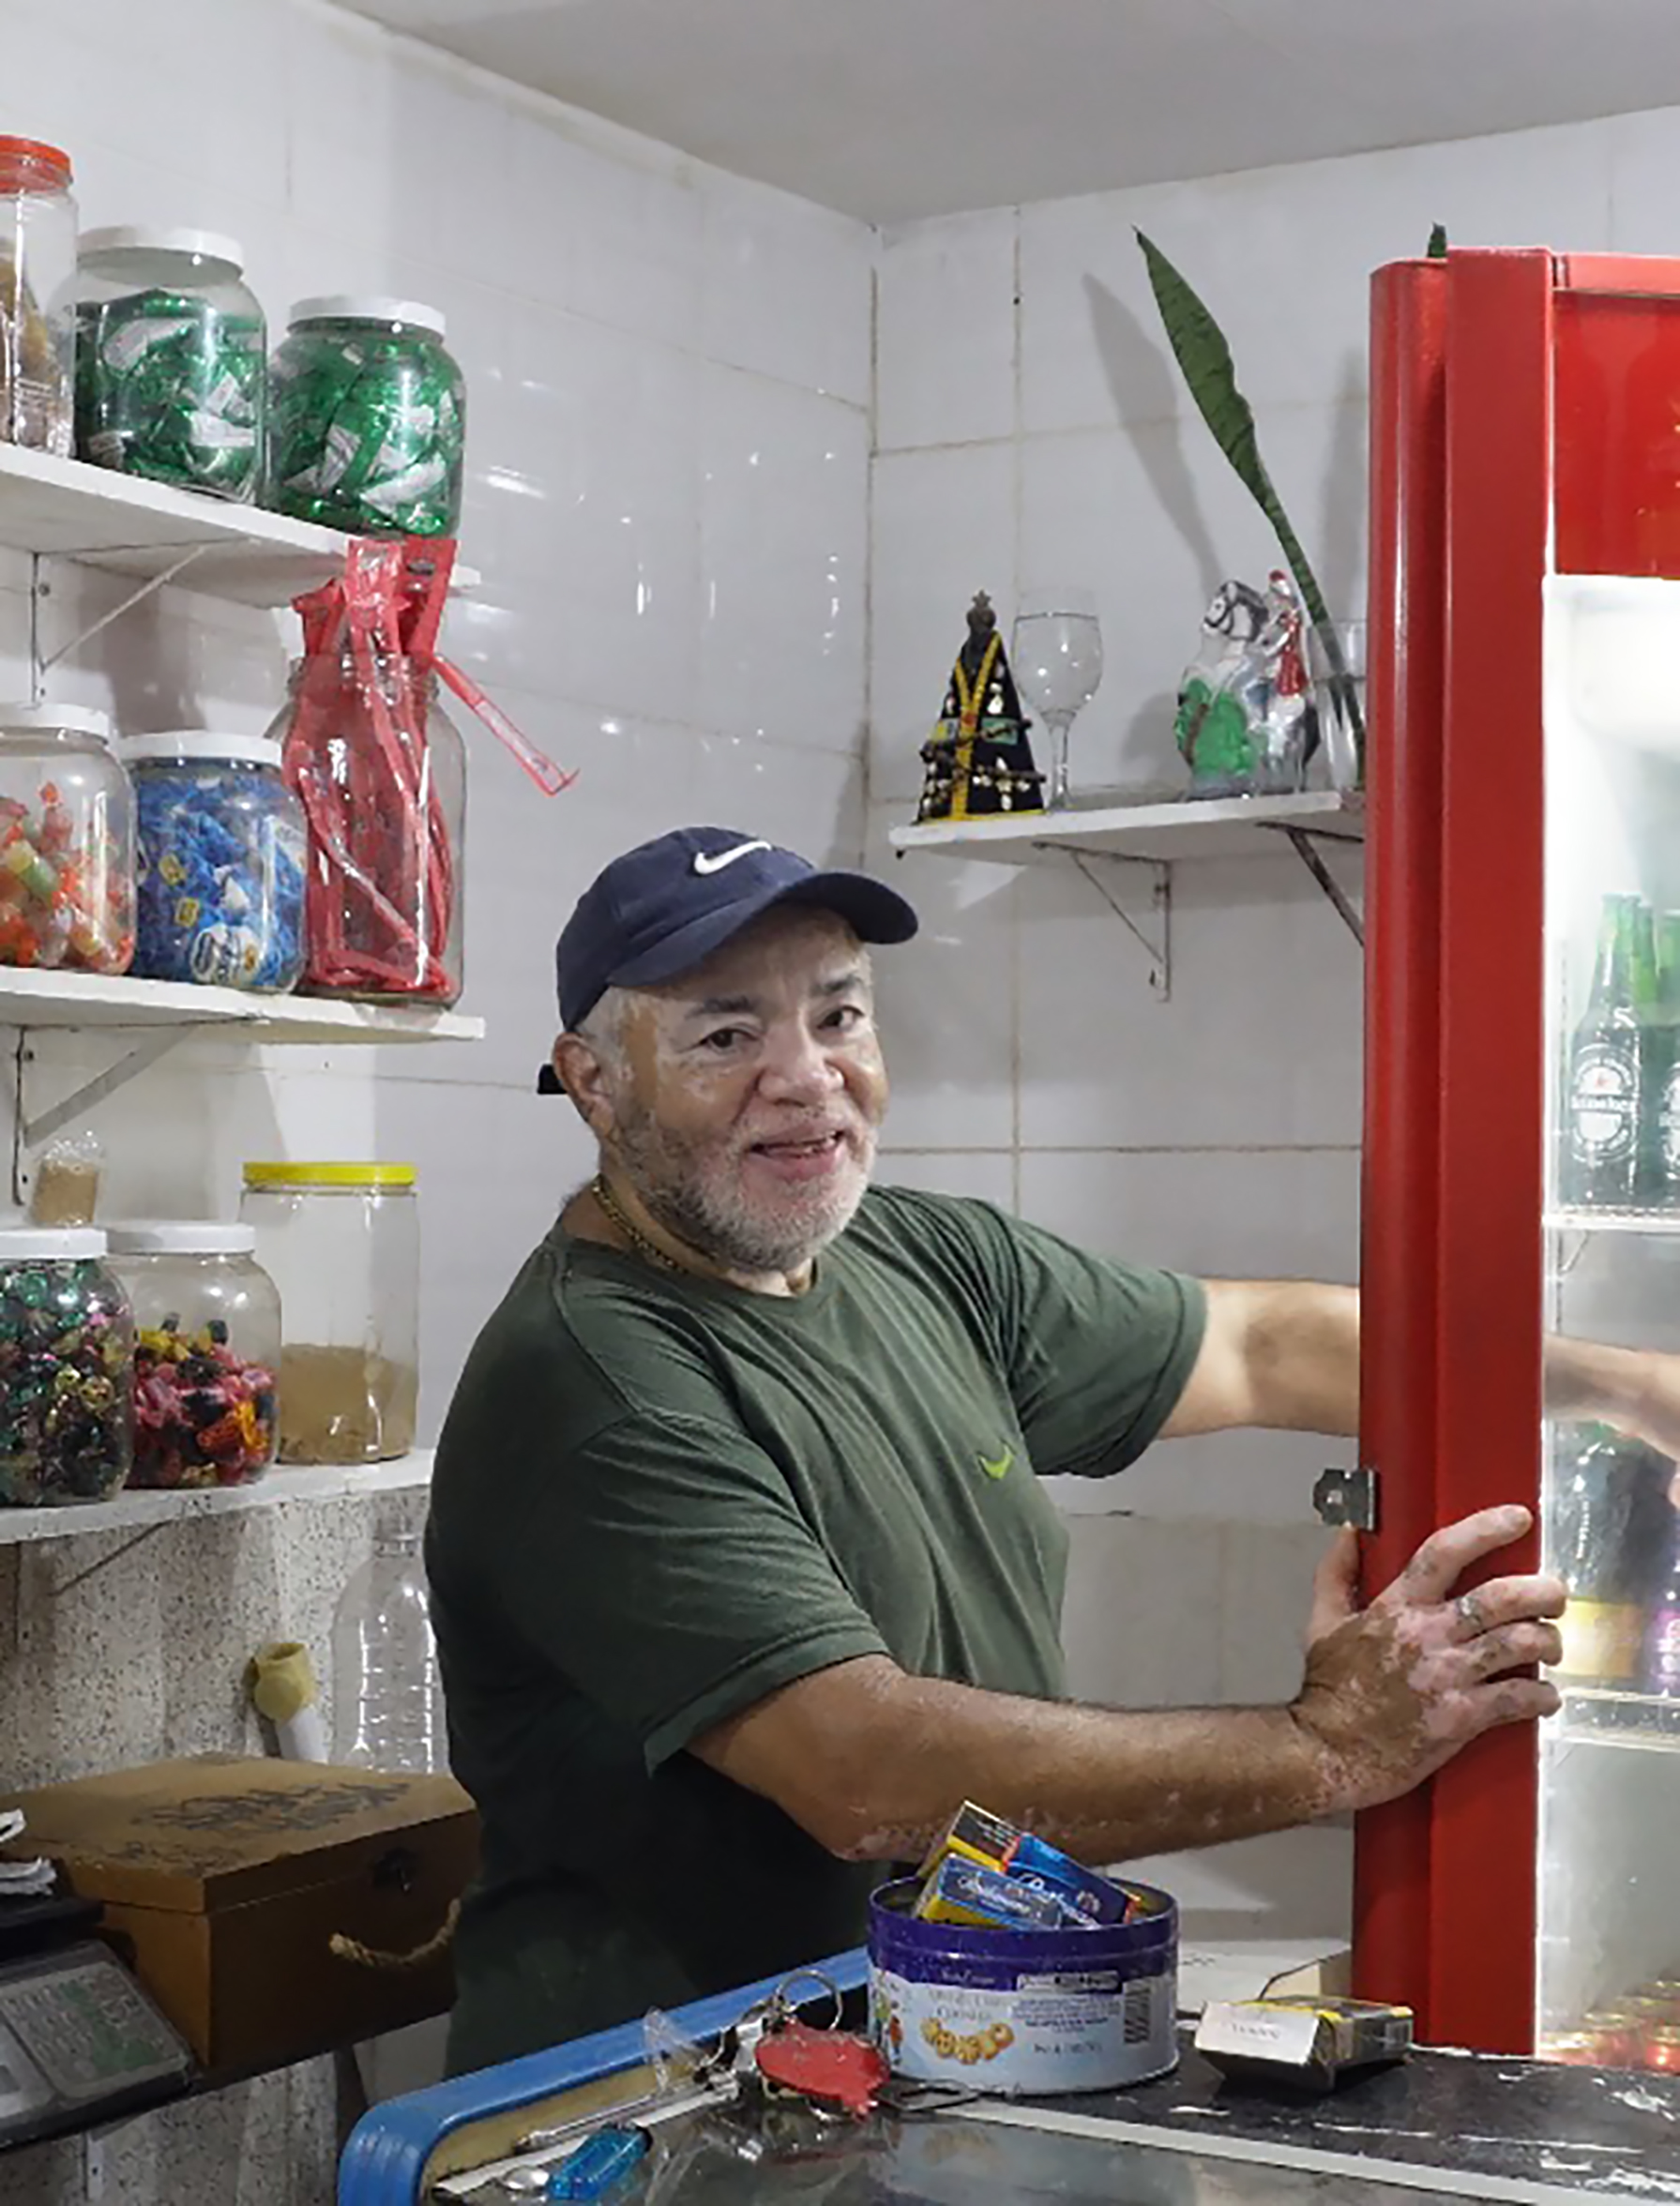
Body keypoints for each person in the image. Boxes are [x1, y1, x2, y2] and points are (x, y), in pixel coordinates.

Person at [426, 825, 1667, 2076]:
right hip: (649, 2109)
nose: (807, 1080)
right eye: (724, 1036)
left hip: (917, 2053)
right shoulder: (592, 1378)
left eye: (839, 1017)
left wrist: (1632, 1387)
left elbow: (1260, 1346)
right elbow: (864, 1771)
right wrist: (1331, 1744)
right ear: (595, 1083)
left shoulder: (923, 1263)